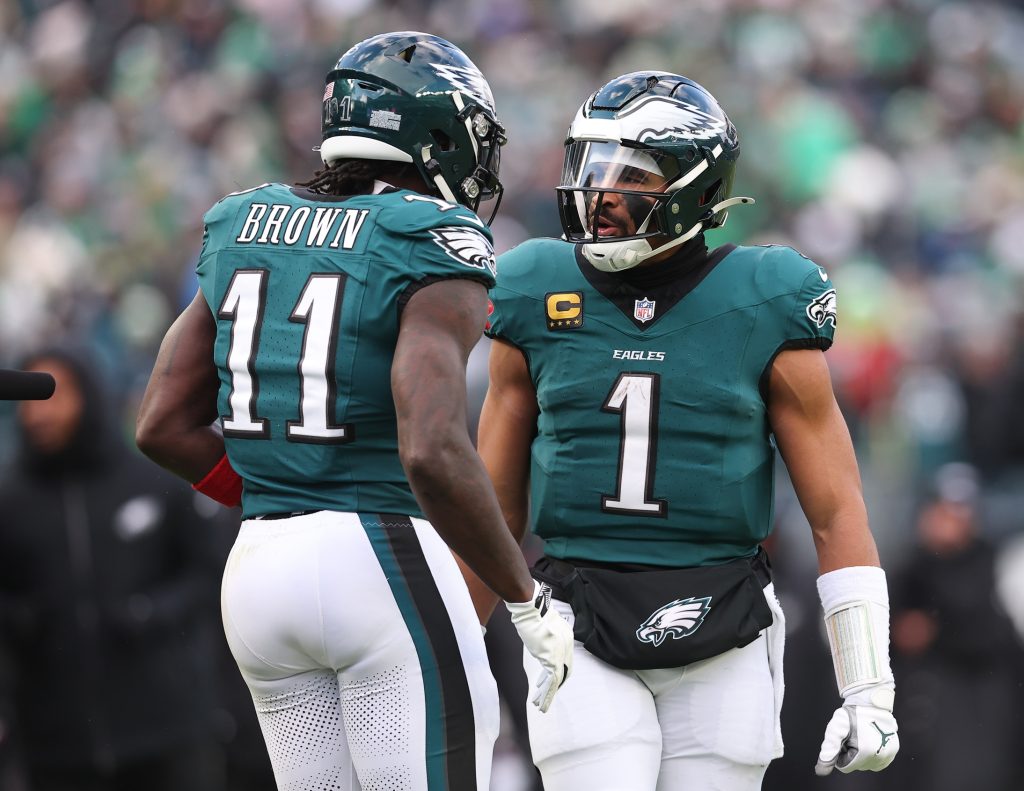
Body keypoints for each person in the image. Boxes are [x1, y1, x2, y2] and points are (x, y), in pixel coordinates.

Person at [134, 31, 573, 791]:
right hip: (380, 556)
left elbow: (162, 425)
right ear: (434, 135)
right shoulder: (431, 236)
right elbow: (431, 445)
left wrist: (280, 497)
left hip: (258, 570)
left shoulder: (243, 221)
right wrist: (523, 595)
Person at [476, 71, 900, 790]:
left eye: (629, 175)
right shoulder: (533, 287)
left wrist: (869, 685)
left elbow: (835, 510)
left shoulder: (767, 297)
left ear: (699, 191)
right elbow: (491, 504)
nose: (600, 194)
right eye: (591, 166)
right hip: (578, 616)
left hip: (725, 621)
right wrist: (449, 645)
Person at [0, 348, 226, 791]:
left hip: (164, 729)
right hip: (54, 739)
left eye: (54, 395)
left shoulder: (152, 479)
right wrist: (20, 618)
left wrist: (153, 611)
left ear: (89, 395)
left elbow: (207, 570)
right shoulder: (10, 500)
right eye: (29, 400)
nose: (39, 414)